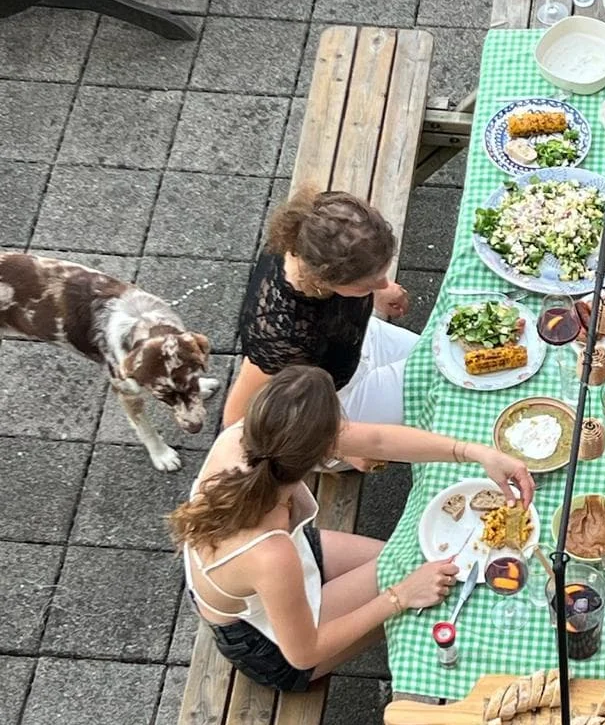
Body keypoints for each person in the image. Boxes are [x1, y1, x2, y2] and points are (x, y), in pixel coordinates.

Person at [171, 366, 535, 692]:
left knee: (416, 562)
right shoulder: (269, 554)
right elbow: (303, 652)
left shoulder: (248, 436)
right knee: (429, 588)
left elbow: (376, 441)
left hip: (275, 577)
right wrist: (399, 596)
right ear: (323, 452)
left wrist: (476, 453)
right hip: (270, 647)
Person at [224, 189, 416, 443]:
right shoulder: (280, 333)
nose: (383, 284)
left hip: (353, 344)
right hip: (335, 401)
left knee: (444, 361)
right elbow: (234, 419)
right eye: (368, 284)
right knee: (434, 393)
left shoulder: (313, 239)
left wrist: (376, 290)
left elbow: (359, 272)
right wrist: (338, 447)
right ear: (324, 280)